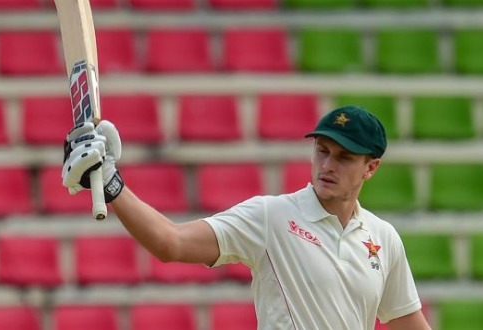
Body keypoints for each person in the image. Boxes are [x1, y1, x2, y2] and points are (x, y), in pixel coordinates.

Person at [62, 105, 432, 330]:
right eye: (322, 151)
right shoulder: (272, 216)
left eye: (344, 157)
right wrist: (112, 185)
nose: (327, 165)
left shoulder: (383, 239)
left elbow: (407, 323)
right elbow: (170, 243)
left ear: (372, 167)